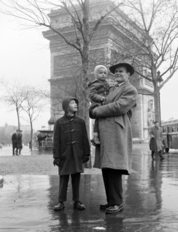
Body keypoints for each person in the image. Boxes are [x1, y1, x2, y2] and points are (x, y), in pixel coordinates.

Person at [90, 62, 138, 214]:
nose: (117, 73)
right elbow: (96, 102)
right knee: (107, 167)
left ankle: (117, 202)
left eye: (121, 71)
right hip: (105, 132)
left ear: (128, 74)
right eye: (116, 71)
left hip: (117, 132)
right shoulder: (111, 89)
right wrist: (94, 114)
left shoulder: (130, 89)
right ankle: (111, 200)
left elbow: (120, 106)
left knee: (114, 167)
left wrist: (97, 111)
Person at [52, 97, 91, 211]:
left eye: (75, 103)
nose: (75, 105)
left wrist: (86, 153)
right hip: (64, 154)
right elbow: (56, 141)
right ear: (66, 107)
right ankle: (61, 202)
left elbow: (85, 139)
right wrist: (56, 156)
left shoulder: (81, 121)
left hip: (77, 154)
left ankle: (77, 201)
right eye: (72, 103)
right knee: (63, 178)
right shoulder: (59, 122)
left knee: (76, 177)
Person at [88, 65, 110, 145]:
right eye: (100, 73)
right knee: (98, 119)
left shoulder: (107, 83)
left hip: (104, 103)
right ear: (96, 74)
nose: (103, 74)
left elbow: (110, 90)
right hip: (97, 104)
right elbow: (92, 95)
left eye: (105, 73)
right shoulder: (94, 84)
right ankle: (95, 136)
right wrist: (100, 98)